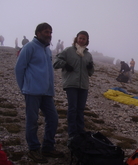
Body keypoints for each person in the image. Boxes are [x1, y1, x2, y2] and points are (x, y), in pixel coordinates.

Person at [15, 22, 64, 163]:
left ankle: (48, 147)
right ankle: (33, 149)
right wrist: (24, 88)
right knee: (32, 121)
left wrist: (50, 88)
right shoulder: (29, 47)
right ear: (38, 33)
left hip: (47, 92)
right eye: (46, 32)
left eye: (50, 32)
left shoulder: (47, 50)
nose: (49, 34)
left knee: (53, 119)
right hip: (32, 91)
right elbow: (19, 68)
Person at [53, 31, 94, 138]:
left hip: (83, 85)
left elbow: (91, 73)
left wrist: (90, 67)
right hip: (71, 84)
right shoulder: (68, 51)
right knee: (72, 108)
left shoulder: (88, 55)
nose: (81, 40)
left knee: (80, 109)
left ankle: (80, 131)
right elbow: (56, 62)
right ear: (76, 39)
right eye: (80, 38)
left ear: (87, 41)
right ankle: (72, 132)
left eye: (83, 39)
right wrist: (65, 64)